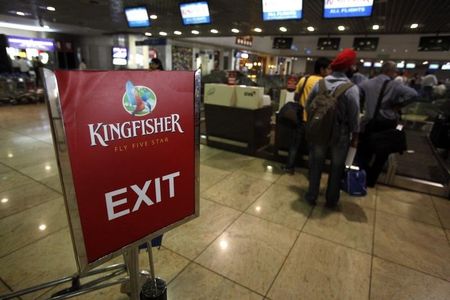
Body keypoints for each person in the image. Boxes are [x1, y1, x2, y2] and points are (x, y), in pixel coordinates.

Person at [304, 49, 360, 208]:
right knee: (336, 167)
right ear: (348, 67)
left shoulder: (319, 83)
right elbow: (354, 116)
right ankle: (331, 200)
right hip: (340, 134)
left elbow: (308, 106)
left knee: (316, 163)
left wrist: (318, 120)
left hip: (319, 132)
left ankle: (311, 195)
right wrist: (355, 136)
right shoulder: (351, 88)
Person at [357, 61, 418, 187]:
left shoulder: (367, 83)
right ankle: (371, 180)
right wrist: (398, 105)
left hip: (369, 122)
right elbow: (413, 94)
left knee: (364, 152)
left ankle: (361, 177)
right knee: (382, 153)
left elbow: (357, 93)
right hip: (387, 123)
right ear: (391, 71)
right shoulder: (394, 85)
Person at [282, 57, 331, 174]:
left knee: (295, 145)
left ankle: (289, 167)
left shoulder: (304, 79)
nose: (330, 71)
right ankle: (312, 172)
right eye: (329, 69)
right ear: (322, 69)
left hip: (300, 118)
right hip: (316, 121)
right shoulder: (326, 83)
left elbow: (295, 97)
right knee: (313, 148)